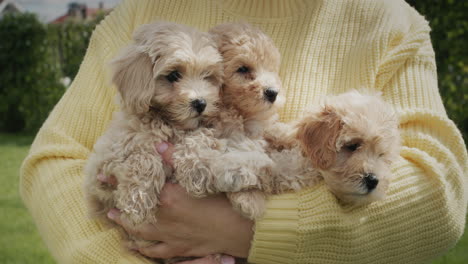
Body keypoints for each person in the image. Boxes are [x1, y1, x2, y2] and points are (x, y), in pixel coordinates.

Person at [20, 0, 467, 263]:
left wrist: (250, 232)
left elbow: (440, 190)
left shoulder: (391, 22)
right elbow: (55, 158)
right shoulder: (141, 12)